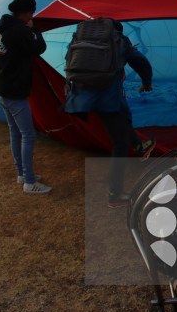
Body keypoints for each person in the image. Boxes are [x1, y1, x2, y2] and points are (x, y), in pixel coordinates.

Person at [64, 18, 155, 207]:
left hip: (82, 96)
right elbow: (141, 61)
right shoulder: (119, 40)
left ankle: (141, 146)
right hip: (107, 97)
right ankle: (116, 193)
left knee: (121, 119)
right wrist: (146, 81)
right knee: (119, 142)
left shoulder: (79, 39)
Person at [0, 0, 51, 194]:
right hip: (14, 92)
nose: (32, 16)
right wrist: (35, 30)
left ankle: (21, 173)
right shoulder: (20, 30)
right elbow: (39, 49)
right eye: (31, 13)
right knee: (28, 135)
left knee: (15, 132)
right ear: (23, 13)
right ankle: (29, 182)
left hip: (1, 89)